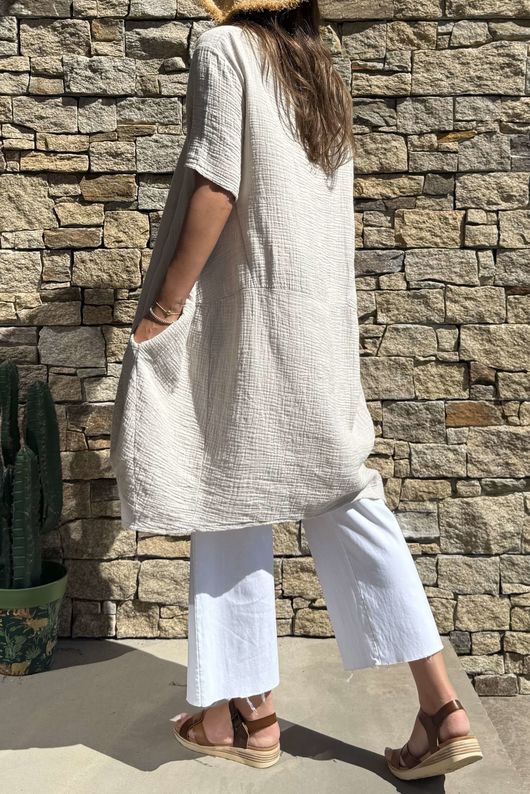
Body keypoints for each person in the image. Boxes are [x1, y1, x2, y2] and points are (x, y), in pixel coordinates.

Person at [109, 0, 483, 781]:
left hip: (246, 321)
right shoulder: (319, 71)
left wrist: (165, 308)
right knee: (348, 497)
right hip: (315, 329)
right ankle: (440, 707)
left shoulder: (224, 48)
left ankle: (250, 715)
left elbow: (217, 186)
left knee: (224, 487)